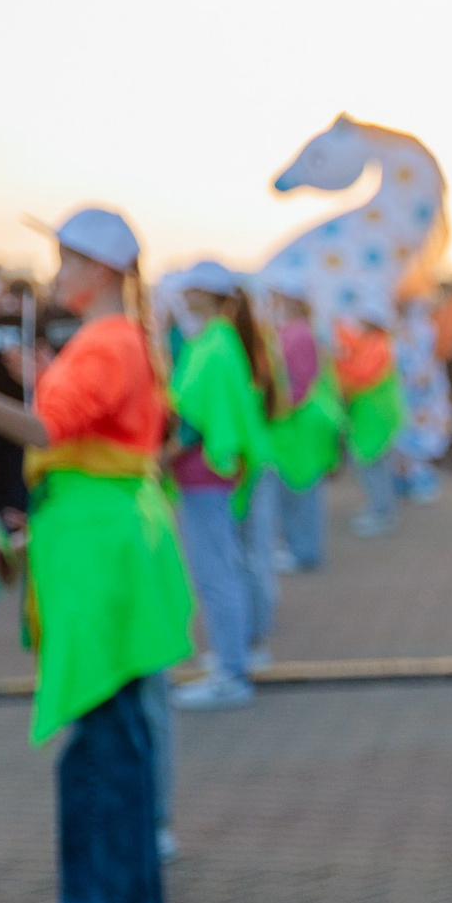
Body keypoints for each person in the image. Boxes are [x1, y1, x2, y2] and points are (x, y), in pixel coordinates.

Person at [0, 208, 194, 903]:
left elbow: (44, 431)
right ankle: (120, 896)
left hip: (98, 547)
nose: (56, 273)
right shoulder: (121, 337)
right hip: (108, 538)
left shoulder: (107, 339)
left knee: (104, 729)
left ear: (100, 269)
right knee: (117, 723)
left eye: (67, 260)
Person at [168, 263, 282, 711]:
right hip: (215, 474)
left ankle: (230, 673)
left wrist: (160, 456)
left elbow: (195, 420)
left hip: (204, 475)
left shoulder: (212, 345)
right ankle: (237, 658)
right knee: (229, 568)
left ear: (204, 293)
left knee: (216, 574)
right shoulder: (221, 340)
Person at [262, 279, 340, 573]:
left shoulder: (300, 333)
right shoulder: (295, 330)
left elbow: (301, 383)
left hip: (300, 427)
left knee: (303, 492)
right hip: (294, 427)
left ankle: (304, 550)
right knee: (296, 490)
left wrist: (273, 408)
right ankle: (299, 546)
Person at [335, 317, 407, 538]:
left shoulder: (378, 344)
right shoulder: (374, 341)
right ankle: (378, 508)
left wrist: (338, 364)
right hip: (370, 419)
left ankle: (381, 513)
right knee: (373, 468)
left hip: (375, 419)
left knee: (375, 468)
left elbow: (361, 374)